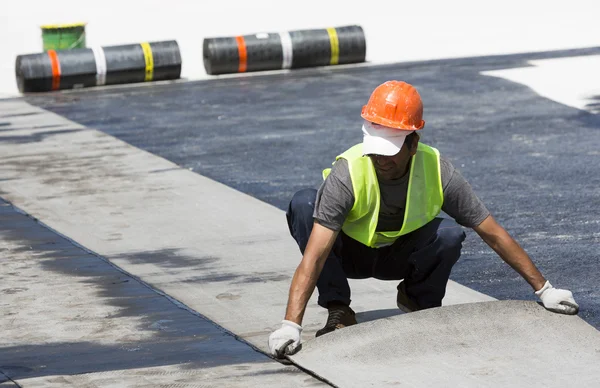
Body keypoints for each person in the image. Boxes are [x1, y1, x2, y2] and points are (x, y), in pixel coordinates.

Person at [268, 80, 579, 359]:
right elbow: (315, 254)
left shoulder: (436, 167)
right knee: (304, 202)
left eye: (390, 151)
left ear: (413, 144)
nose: (380, 159)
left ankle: (417, 302)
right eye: (376, 149)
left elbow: (491, 231)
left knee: (449, 234)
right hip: (348, 256)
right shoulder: (348, 171)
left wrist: (545, 289)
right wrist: (290, 324)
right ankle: (339, 309)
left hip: (399, 257)